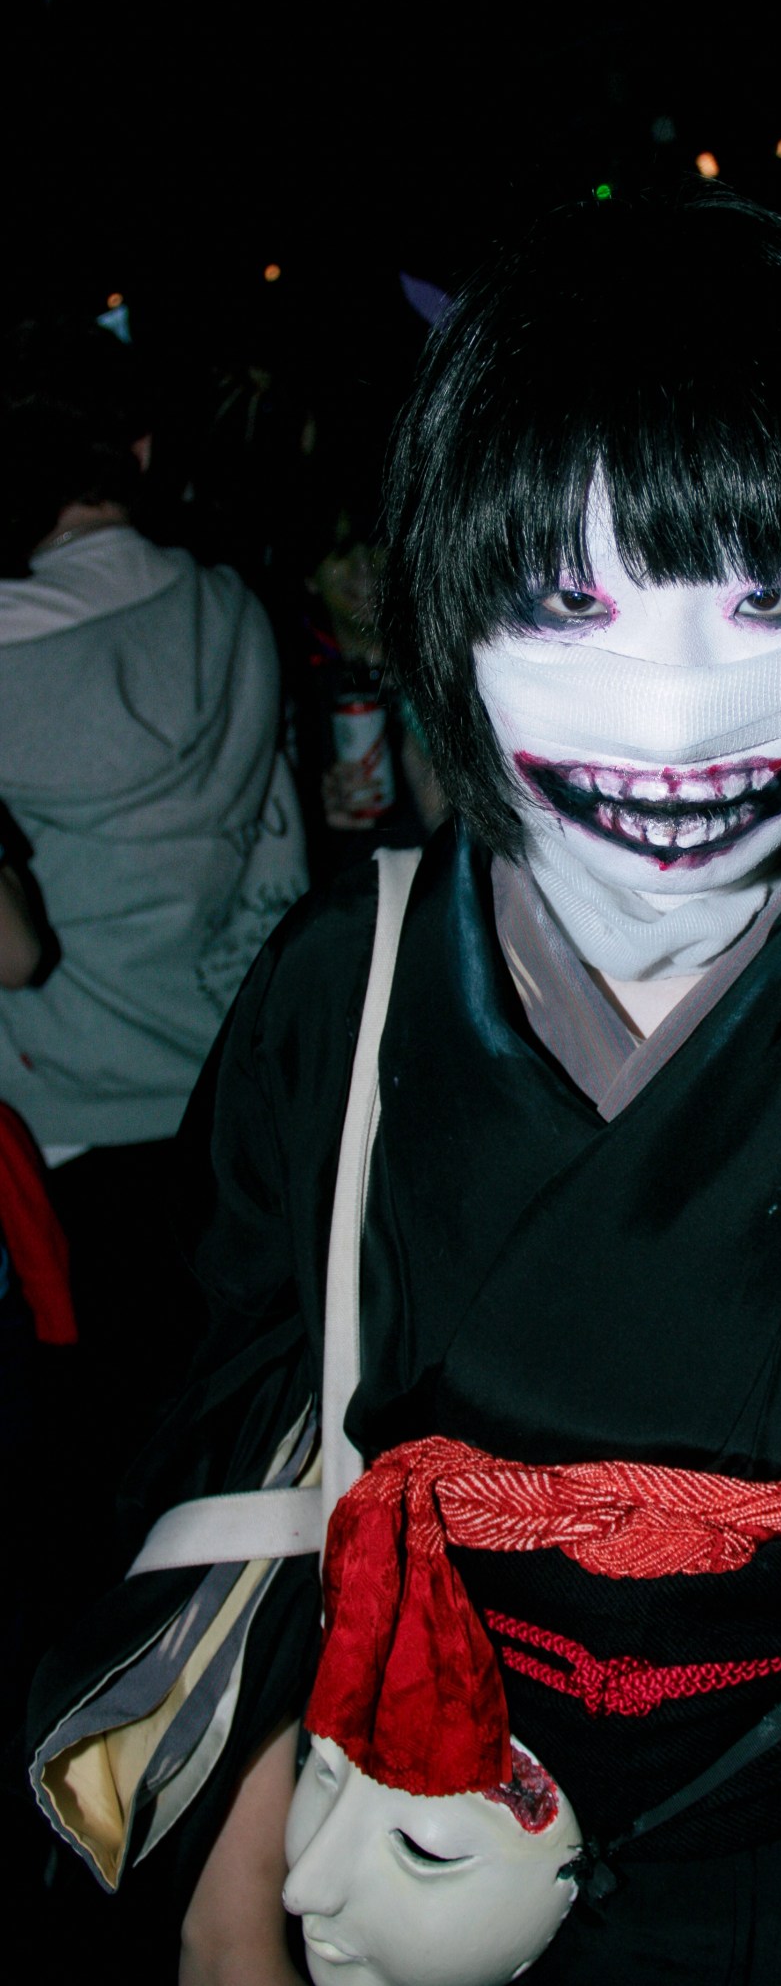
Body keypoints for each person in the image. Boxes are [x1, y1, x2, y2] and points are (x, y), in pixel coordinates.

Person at [29, 191, 781, 1985]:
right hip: (416, 1849)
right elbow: (244, 1450)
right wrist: (230, 1908)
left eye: (770, 597)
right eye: (564, 601)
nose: (674, 720)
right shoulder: (342, 986)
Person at [0, 320, 309, 1471]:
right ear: (136, 451)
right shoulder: (233, 608)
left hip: (62, 1126)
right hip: (226, 1100)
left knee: (93, 1465)